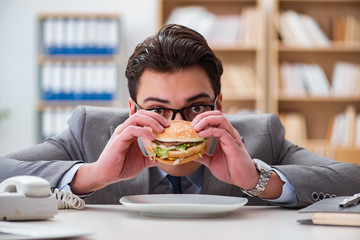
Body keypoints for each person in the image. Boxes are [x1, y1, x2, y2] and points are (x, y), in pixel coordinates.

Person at [1, 24, 359, 208]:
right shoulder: (89, 129)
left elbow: (352, 180)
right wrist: (92, 176)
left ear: (219, 105)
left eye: (197, 107)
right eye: (157, 109)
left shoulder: (260, 134)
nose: (177, 126)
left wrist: (257, 179)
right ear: (132, 109)